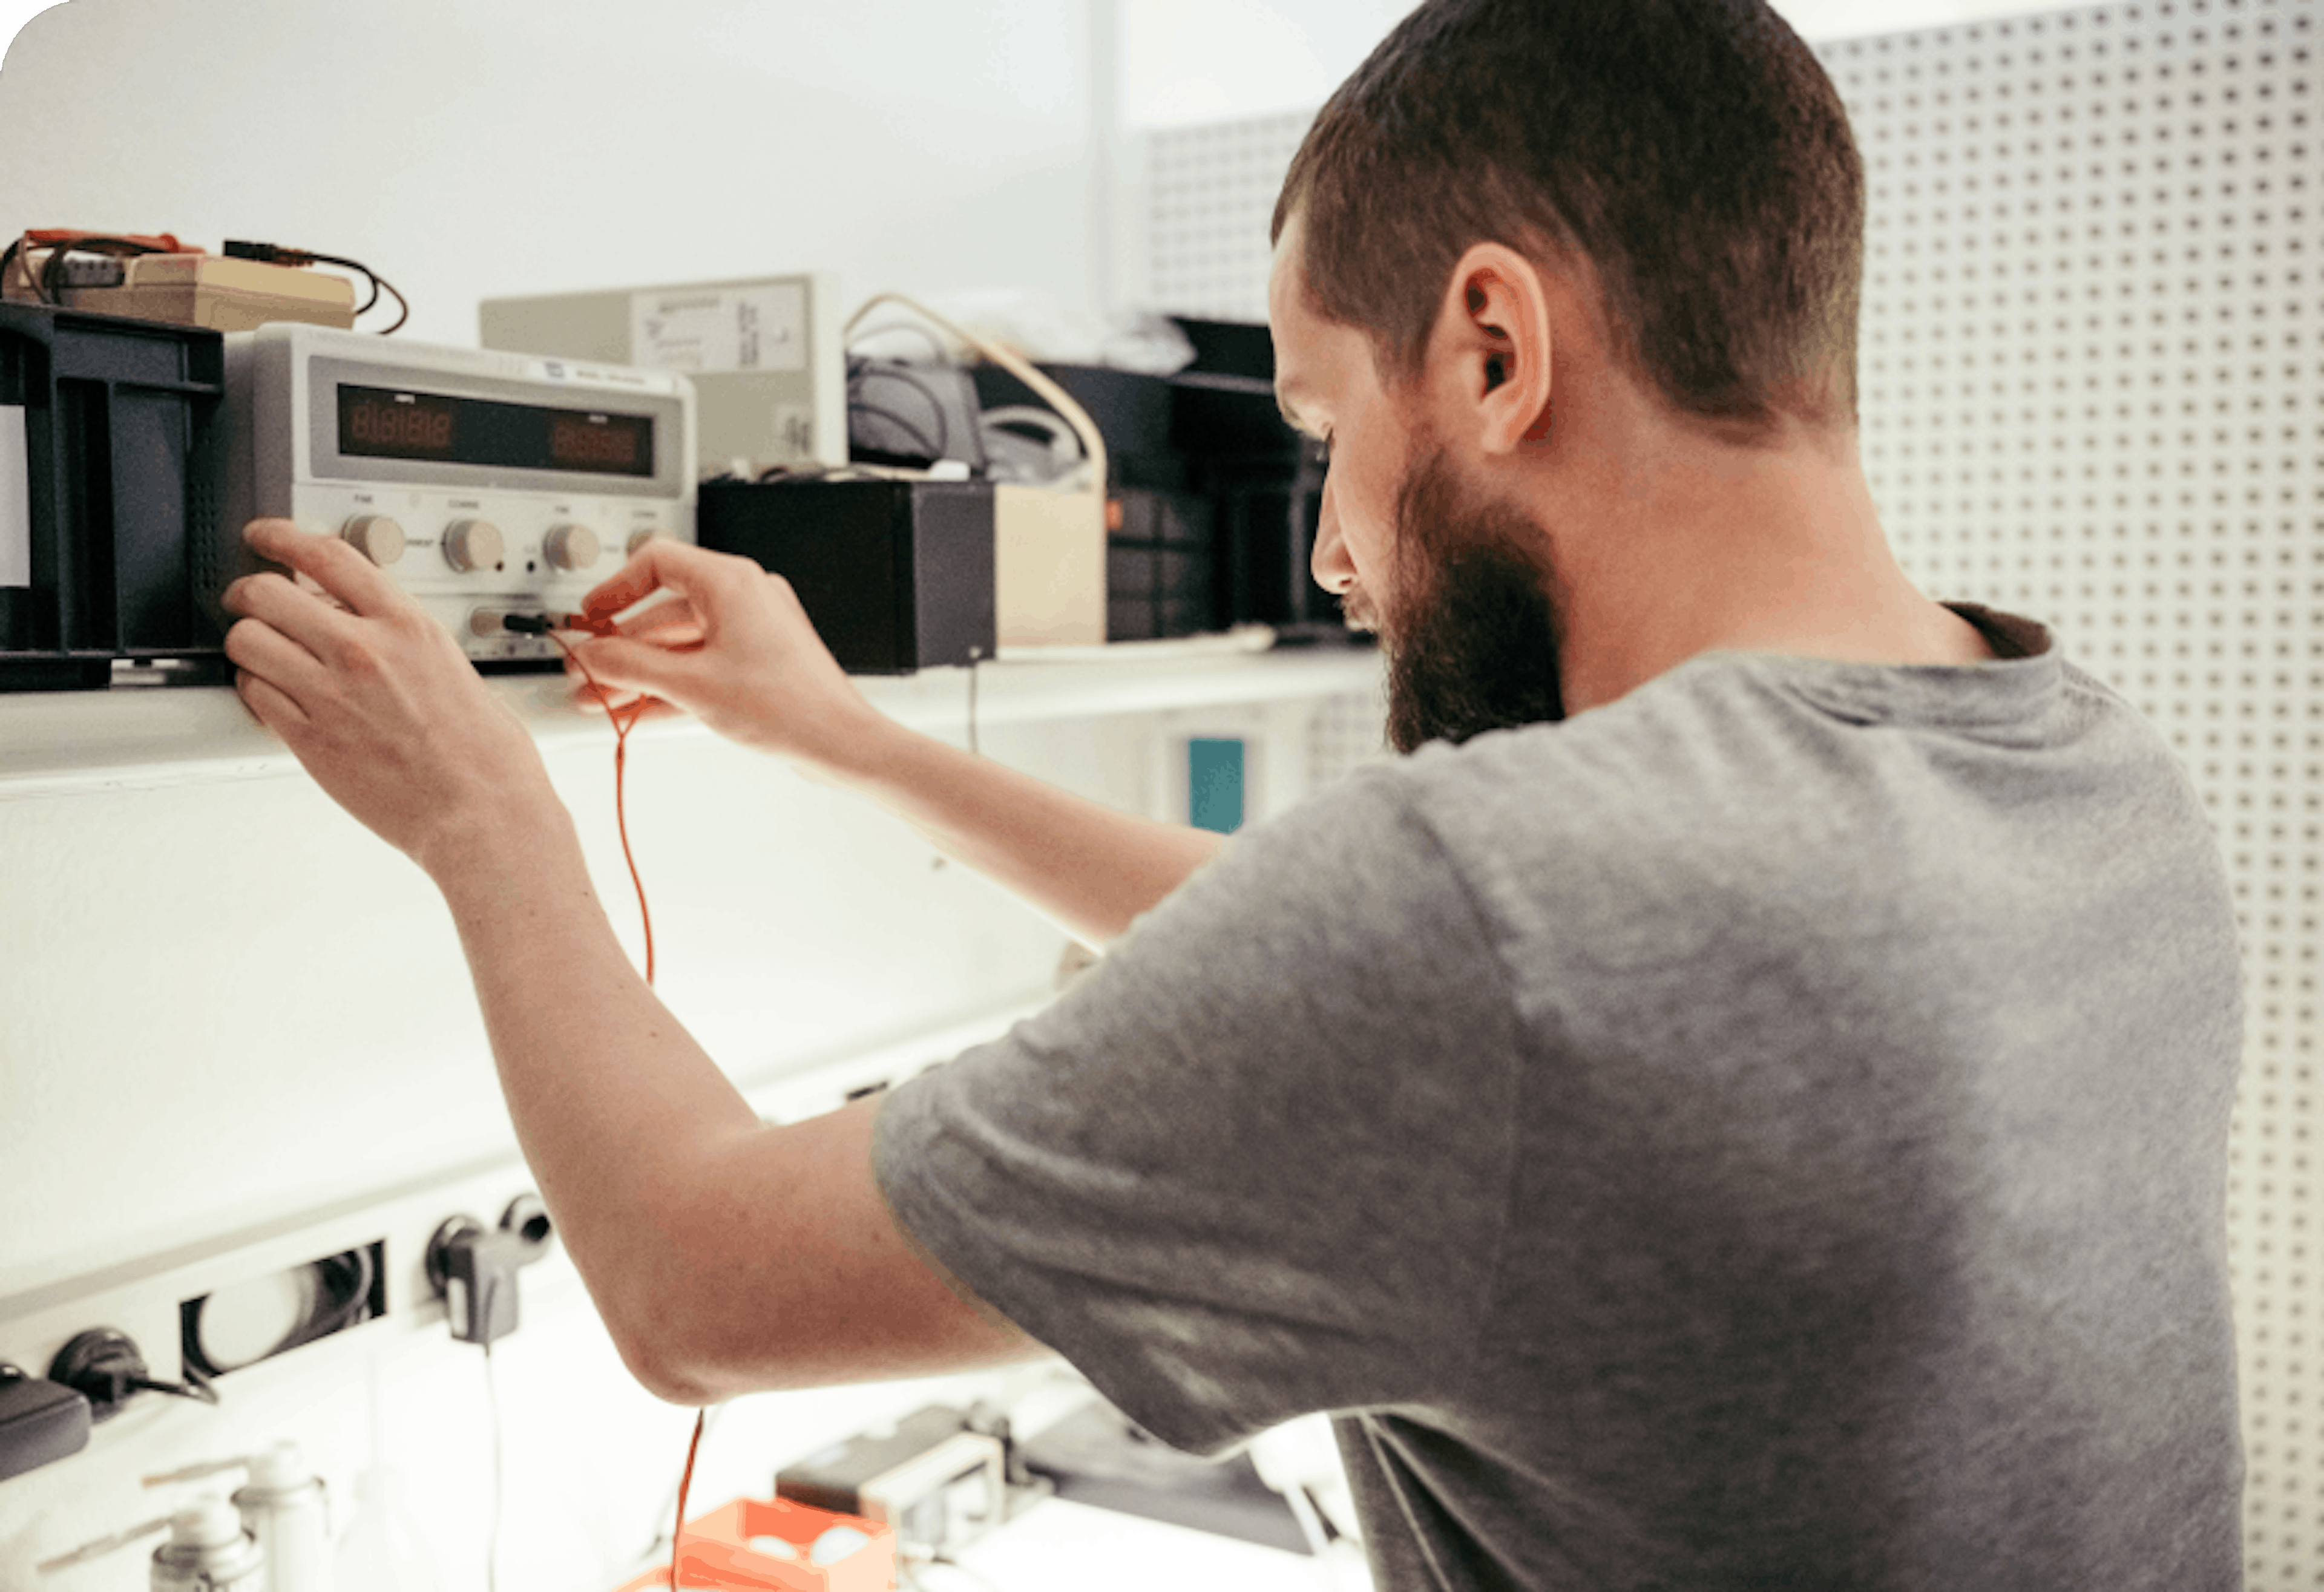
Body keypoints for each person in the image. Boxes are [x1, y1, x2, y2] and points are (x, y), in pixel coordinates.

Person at [221, 0, 2245, 1585]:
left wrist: (480, 815)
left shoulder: (1498, 924)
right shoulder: (2081, 768)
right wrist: (840, 731)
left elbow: (686, 1278)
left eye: (1318, 421)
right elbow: (1411, 975)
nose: (1334, 551)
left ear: (1490, 348)